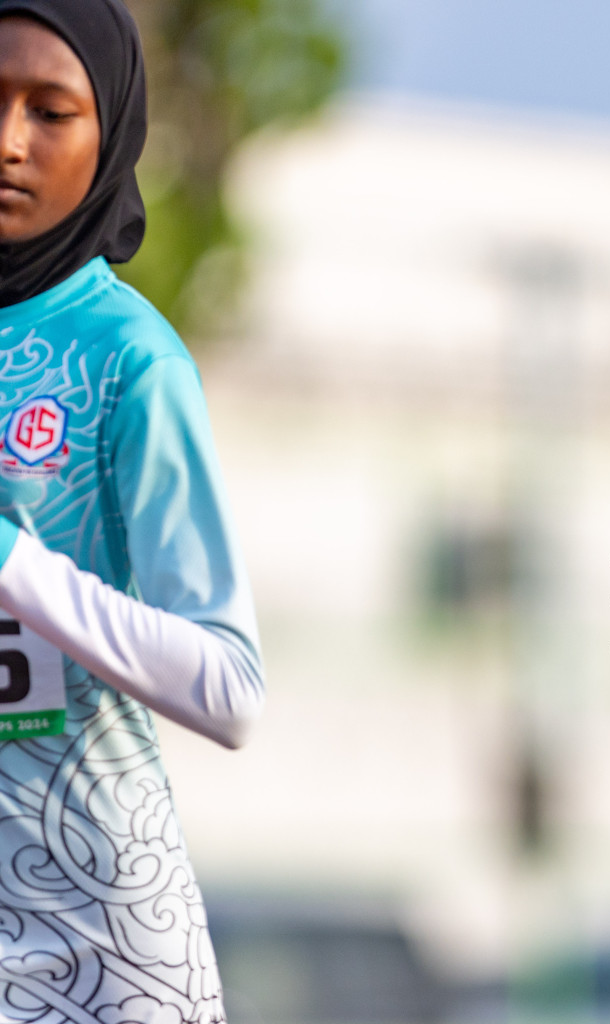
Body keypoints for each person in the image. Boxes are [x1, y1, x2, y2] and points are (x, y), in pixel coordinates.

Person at [0, 1, 263, 1020]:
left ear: (111, 133)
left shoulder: (127, 358)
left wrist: (17, 567)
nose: (8, 140)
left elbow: (230, 688)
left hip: (101, 947)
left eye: (50, 110)